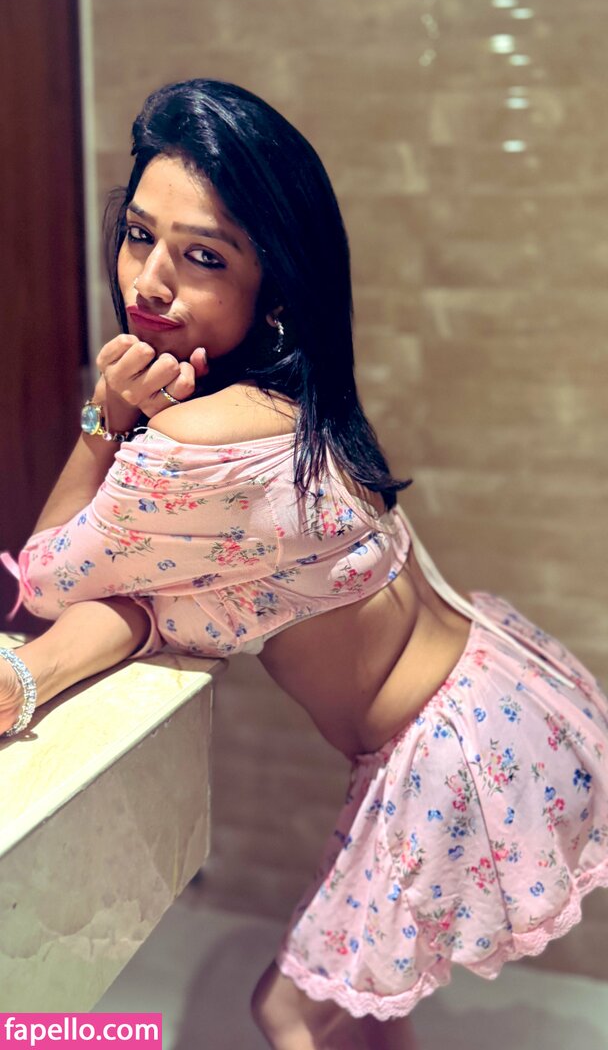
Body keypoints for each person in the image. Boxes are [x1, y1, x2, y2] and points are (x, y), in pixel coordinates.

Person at [1, 79, 607, 1050]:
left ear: (274, 288)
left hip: (447, 758)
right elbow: (157, 598)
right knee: (359, 1004)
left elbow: (44, 579)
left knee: (289, 1012)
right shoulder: (297, 399)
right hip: (494, 695)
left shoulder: (196, 446)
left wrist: (102, 421)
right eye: (139, 235)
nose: (148, 282)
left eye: (203, 256)